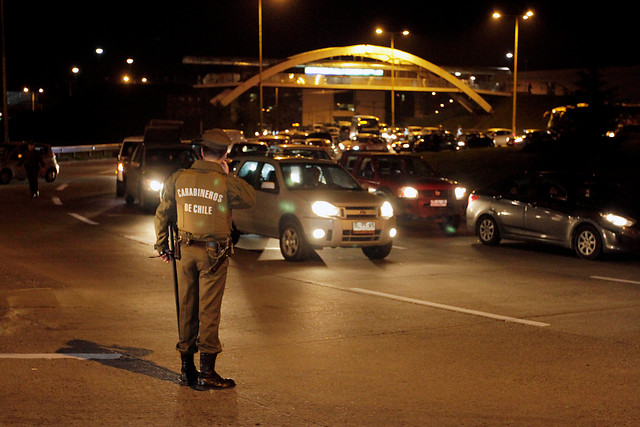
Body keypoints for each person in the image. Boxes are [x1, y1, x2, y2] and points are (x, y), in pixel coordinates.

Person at [154, 129, 256, 389]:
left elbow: (163, 213)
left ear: (200, 151)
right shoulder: (224, 181)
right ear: (225, 154)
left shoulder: (178, 178)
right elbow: (249, 198)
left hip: (183, 251)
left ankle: (186, 370)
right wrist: (225, 172)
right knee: (208, 311)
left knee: (186, 307)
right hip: (214, 253)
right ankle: (207, 372)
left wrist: (162, 246)